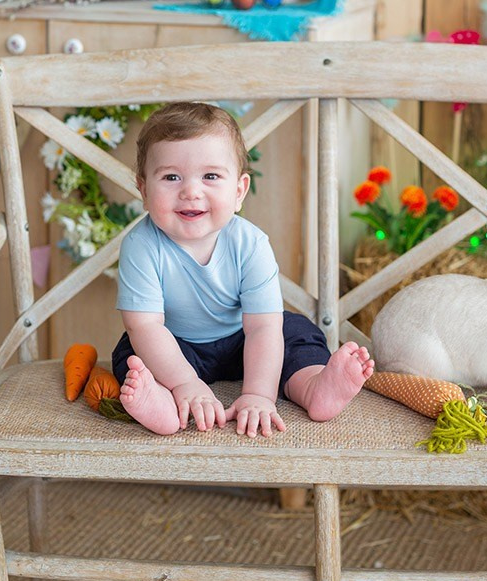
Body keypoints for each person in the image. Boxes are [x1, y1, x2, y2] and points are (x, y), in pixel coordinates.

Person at [111, 102, 374, 438]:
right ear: (144, 190)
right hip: (177, 346)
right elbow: (145, 326)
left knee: (293, 331)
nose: (191, 191)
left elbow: (263, 327)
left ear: (238, 191)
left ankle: (312, 387)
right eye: (171, 176)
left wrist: (258, 396)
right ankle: (164, 403)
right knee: (132, 354)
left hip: (245, 340)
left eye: (210, 176)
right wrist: (185, 382)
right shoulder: (141, 245)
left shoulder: (249, 243)